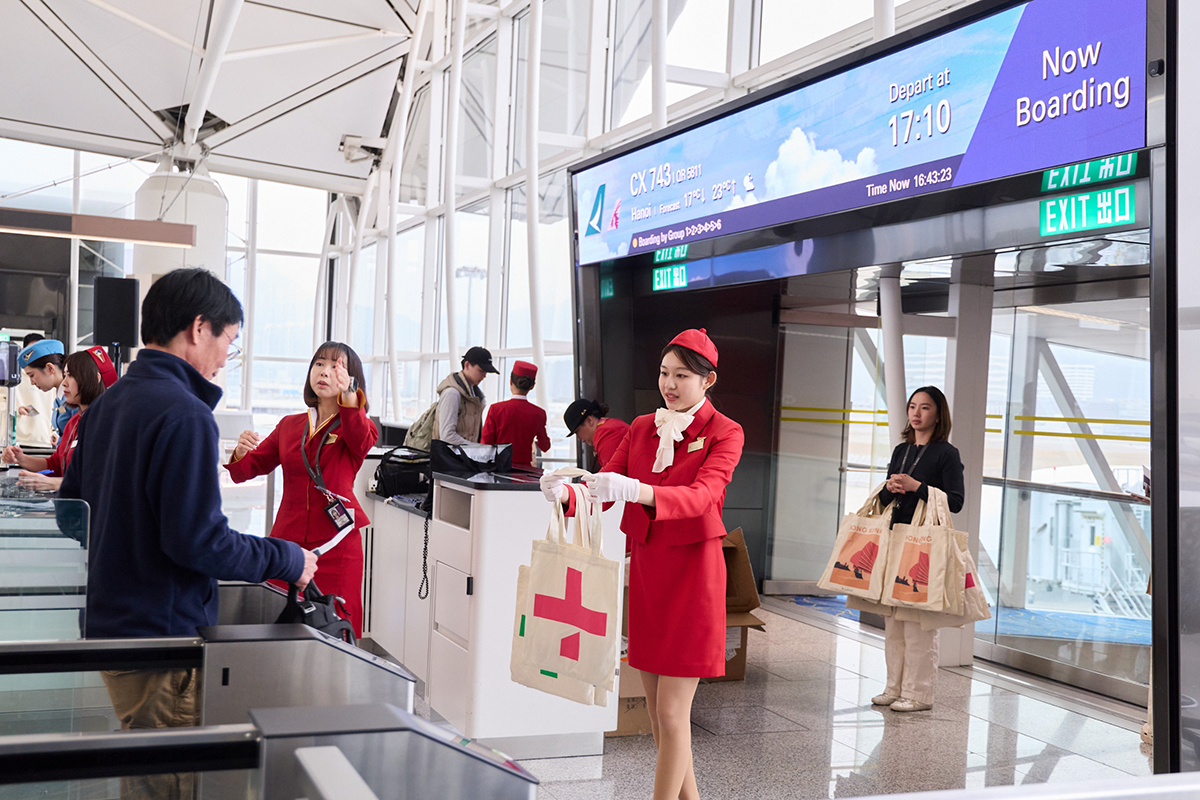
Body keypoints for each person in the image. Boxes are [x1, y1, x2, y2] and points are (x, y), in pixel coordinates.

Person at [59, 269, 317, 798]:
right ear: (199, 329)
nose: (225, 358)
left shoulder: (107, 405)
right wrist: (286, 558)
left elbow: (70, 513)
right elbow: (200, 542)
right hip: (162, 640)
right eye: (229, 341)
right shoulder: (186, 414)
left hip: (109, 629)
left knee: (143, 771)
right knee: (167, 784)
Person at [541, 328, 743, 800]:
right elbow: (605, 485)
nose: (669, 384)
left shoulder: (725, 431)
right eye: (664, 373)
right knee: (658, 713)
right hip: (650, 572)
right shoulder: (641, 427)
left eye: (682, 376)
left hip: (693, 573)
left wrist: (638, 490)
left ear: (708, 380)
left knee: (672, 713)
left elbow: (704, 496)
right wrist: (566, 493)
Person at [225, 342, 378, 637]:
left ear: (351, 379)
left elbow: (360, 438)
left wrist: (350, 396)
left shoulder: (358, 426)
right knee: (277, 623)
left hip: (337, 545)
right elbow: (248, 470)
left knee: (335, 627)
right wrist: (242, 453)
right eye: (319, 364)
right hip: (288, 543)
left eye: (336, 366)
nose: (325, 372)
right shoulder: (289, 425)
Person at [871, 385, 964, 713]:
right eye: (912, 406)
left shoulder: (946, 454)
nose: (916, 413)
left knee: (917, 625)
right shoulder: (902, 450)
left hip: (924, 545)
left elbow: (955, 501)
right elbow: (885, 500)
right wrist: (890, 488)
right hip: (896, 539)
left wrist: (918, 487)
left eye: (925, 407)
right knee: (893, 622)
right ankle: (894, 687)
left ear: (938, 415)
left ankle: (918, 693)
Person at [3, 348, 116, 492]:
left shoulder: (107, 424)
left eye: (71, 376)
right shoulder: (74, 422)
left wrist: (55, 484)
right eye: (65, 375)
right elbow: (55, 464)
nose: (64, 383)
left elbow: (104, 480)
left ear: (95, 379)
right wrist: (21, 458)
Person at [480, 360, 550, 468]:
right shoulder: (539, 413)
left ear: (510, 381)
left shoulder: (496, 409)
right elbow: (545, 446)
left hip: (499, 468)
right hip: (525, 470)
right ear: (532, 386)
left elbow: (486, 444)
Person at [434, 345, 498, 444]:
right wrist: (476, 449)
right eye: (481, 370)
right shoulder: (452, 393)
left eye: (486, 372)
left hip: (463, 453)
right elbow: (447, 436)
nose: (484, 375)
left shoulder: (477, 398)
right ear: (467, 365)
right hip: (451, 454)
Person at [16, 337, 77, 438]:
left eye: (32, 375)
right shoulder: (59, 397)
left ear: (50, 368)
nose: (32, 382)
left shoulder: (74, 397)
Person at [12, 333, 55, 448]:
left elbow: (55, 408)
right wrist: (17, 409)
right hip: (19, 440)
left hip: (45, 440)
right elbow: (2, 402)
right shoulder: (13, 376)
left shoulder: (51, 377)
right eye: (31, 351)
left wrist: (53, 431)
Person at [564, 397, 631, 468]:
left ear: (589, 420)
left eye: (577, 432)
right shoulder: (610, 425)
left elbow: (612, 472)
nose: (578, 438)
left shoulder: (607, 433)